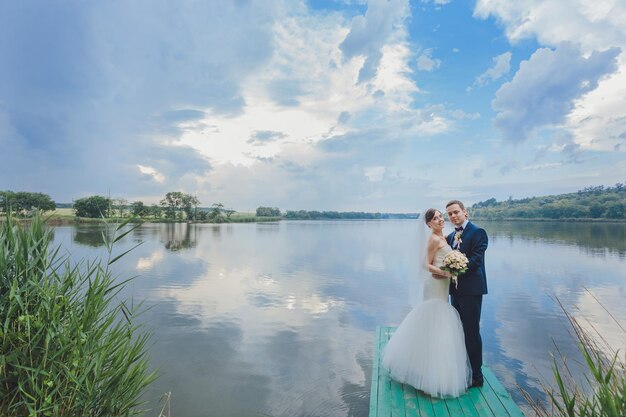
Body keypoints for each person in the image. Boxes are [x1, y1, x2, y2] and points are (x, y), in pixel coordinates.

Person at [382, 208, 470, 398]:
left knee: (439, 326)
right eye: (434, 219)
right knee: (432, 323)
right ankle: (423, 375)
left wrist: (452, 270)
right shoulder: (433, 239)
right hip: (435, 286)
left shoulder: (446, 238)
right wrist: (445, 273)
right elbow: (424, 264)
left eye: (440, 217)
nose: (439, 220)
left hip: (444, 286)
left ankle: (434, 371)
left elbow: (442, 260)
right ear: (428, 224)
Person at [444, 200, 488, 388]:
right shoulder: (451, 235)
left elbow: (476, 260)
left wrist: (455, 268)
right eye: (450, 214)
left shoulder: (478, 233)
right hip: (455, 290)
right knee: (458, 330)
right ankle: (464, 369)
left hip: (471, 290)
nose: (453, 216)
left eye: (456, 212)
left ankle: (477, 375)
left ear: (465, 212)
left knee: (471, 331)